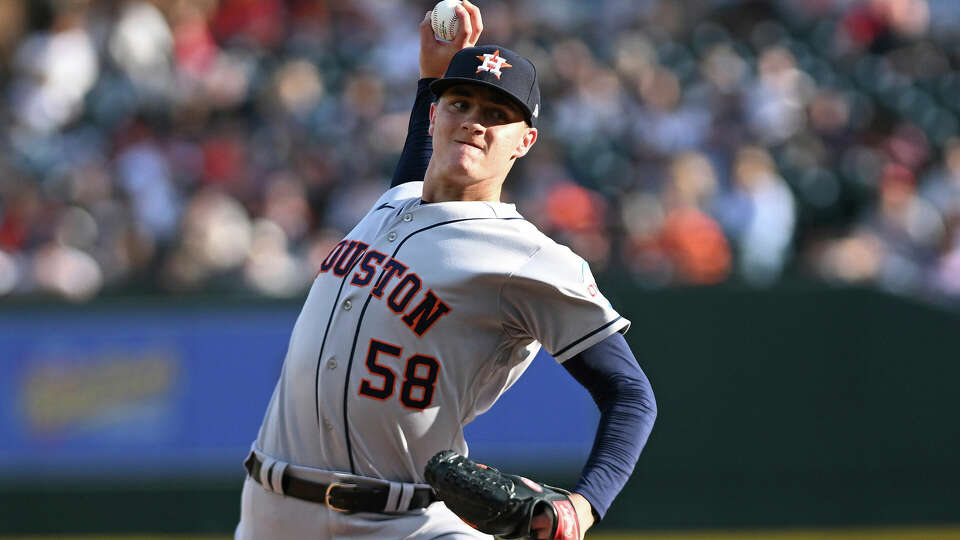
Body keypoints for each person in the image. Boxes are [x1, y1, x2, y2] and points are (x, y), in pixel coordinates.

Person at [236, 3, 656, 539]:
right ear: (436, 116)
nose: (474, 123)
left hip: (404, 522)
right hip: (268, 512)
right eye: (460, 103)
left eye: (498, 115)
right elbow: (419, 169)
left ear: (524, 141)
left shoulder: (527, 257)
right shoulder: (394, 201)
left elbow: (630, 393)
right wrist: (430, 74)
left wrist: (583, 505)